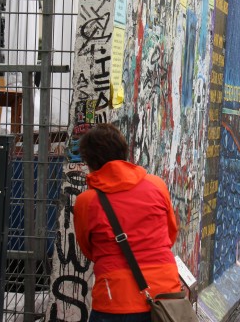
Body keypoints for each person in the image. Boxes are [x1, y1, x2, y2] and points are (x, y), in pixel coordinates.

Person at [73, 123, 181, 322]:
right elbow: (170, 233)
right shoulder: (156, 185)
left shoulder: (86, 202)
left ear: (89, 161)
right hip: (165, 294)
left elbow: (88, 248)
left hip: (114, 298)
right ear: (124, 152)